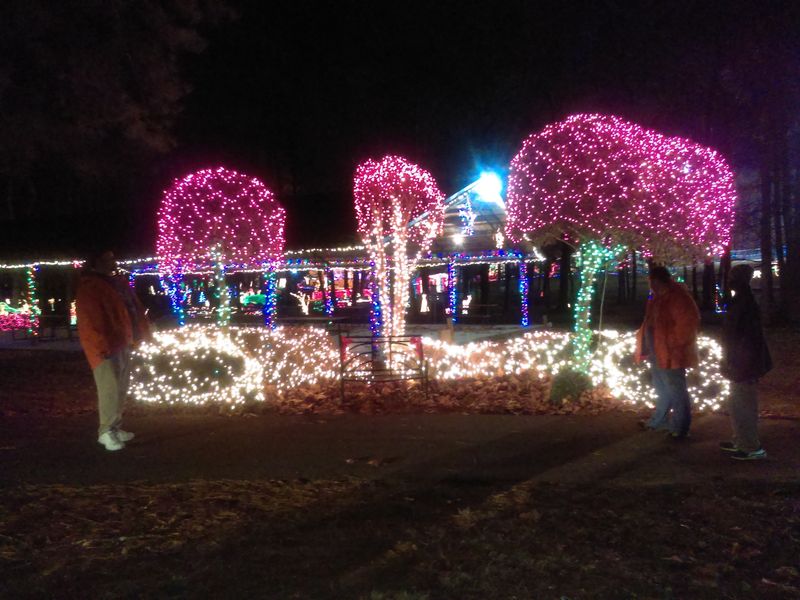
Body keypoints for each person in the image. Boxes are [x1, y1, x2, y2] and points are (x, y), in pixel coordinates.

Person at [76, 250, 150, 451]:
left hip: (123, 341)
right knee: (109, 388)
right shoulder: (92, 287)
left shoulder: (116, 283)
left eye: (112, 257)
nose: (113, 261)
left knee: (120, 387)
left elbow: (132, 309)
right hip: (105, 346)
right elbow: (91, 319)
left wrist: (140, 333)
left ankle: (115, 427)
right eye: (107, 258)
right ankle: (106, 431)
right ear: (96, 262)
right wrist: (101, 346)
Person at [635, 266, 700, 438]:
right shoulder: (657, 297)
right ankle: (660, 420)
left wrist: (673, 344)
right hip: (658, 349)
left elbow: (687, 324)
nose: (650, 285)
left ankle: (680, 427)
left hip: (671, 352)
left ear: (658, 281)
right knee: (661, 386)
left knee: (676, 389)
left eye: (652, 281)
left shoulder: (678, 297)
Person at [719, 263, 772, 460]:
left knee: (744, 405)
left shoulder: (746, 304)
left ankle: (751, 447)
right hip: (737, 363)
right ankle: (740, 440)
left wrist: (737, 362)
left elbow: (747, 339)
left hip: (744, 366)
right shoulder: (740, 301)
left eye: (733, 277)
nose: (729, 281)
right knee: (736, 404)